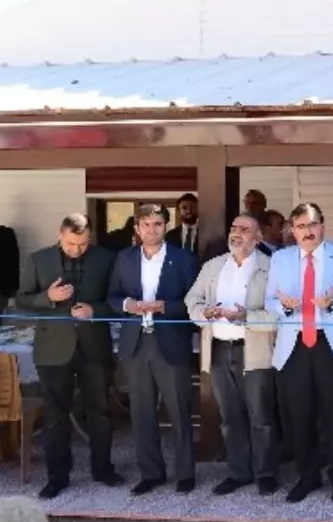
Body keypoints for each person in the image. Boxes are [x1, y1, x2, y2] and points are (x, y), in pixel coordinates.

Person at [15, 214, 122, 499]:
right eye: (71, 243)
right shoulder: (39, 259)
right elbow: (22, 300)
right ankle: (57, 477)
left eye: (83, 244)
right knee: (55, 416)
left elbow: (116, 300)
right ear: (60, 234)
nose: (77, 249)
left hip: (94, 347)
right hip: (52, 349)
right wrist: (47, 297)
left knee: (100, 412)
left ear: (90, 237)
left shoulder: (106, 258)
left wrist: (94, 310)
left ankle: (103, 469)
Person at [266, 202, 333, 504]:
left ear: (323, 226)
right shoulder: (280, 259)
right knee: (299, 415)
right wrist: (284, 307)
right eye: (301, 226)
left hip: (331, 344)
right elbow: (269, 301)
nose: (307, 231)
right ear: (292, 231)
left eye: (312, 224)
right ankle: (308, 476)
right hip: (294, 346)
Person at [107, 203, 200, 496]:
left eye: (157, 224)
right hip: (136, 342)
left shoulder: (184, 259)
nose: (151, 229)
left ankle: (185, 473)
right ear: (137, 228)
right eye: (146, 224)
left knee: (179, 409)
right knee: (141, 411)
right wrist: (128, 305)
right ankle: (151, 473)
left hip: (170, 341)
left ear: (165, 227)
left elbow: (193, 302)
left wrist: (165, 307)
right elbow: (112, 296)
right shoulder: (124, 258)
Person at [185, 212, 279, 496]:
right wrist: (204, 312)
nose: (237, 233)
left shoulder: (271, 267)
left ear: (258, 237)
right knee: (230, 417)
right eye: (234, 227)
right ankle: (239, 472)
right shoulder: (213, 266)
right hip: (218, 349)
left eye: (245, 229)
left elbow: (280, 313)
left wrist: (245, 316)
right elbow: (192, 300)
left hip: (254, 351)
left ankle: (265, 473)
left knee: (261, 418)